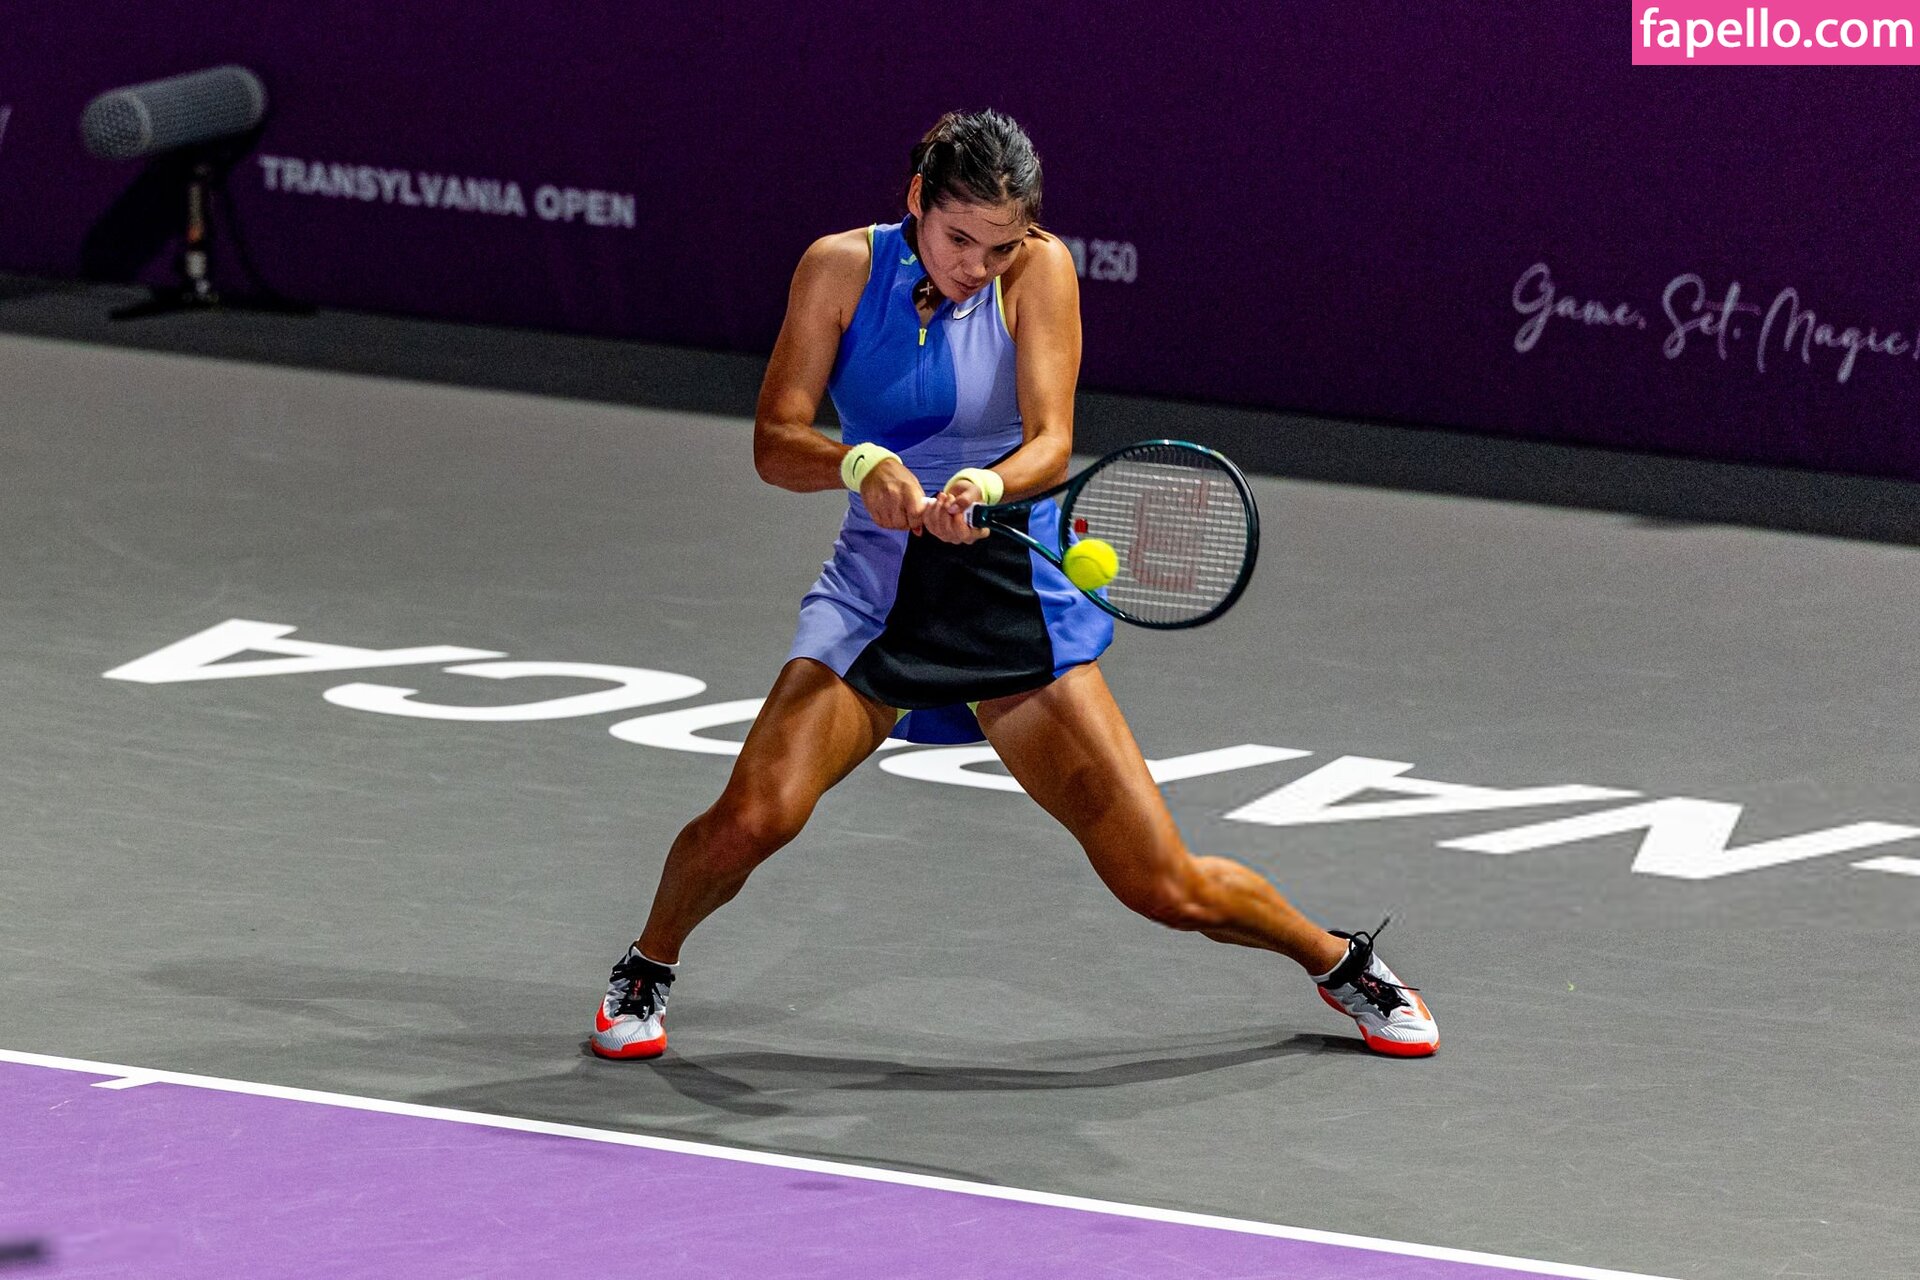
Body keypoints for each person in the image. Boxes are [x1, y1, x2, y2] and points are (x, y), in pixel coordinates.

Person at [592, 109, 1438, 1061]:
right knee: (754, 817)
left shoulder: (1042, 270)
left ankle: (1338, 960)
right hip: (880, 589)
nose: (978, 266)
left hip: (1009, 589)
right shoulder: (838, 269)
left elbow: (1051, 443)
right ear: (917, 199)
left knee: (1163, 884)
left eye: (1000, 246)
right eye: (960, 239)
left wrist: (984, 487)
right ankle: (647, 964)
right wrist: (859, 463)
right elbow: (775, 443)